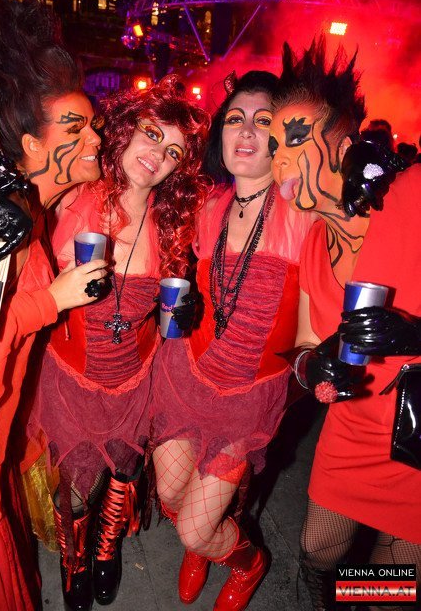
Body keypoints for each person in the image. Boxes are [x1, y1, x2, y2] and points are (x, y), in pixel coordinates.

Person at [27, 76, 211, 611]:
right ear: (127, 130)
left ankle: (107, 547)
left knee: (123, 471)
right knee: (75, 486)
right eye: (152, 134)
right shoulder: (71, 200)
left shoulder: (173, 226)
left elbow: (172, 313)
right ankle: (75, 561)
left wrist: (187, 311)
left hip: (136, 378)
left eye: (173, 150)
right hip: (71, 378)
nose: (158, 154)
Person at [149, 70, 314, 611]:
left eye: (263, 121)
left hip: (247, 397)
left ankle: (245, 561)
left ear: (281, 138)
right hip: (188, 373)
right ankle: (207, 540)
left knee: (195, 528)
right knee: (169, 493)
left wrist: (314, 368)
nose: (245, 131)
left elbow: (311, 331)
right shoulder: (207, 206)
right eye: (235, 119)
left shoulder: (304, 218)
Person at [269, 38, 421, 610]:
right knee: (317, 548)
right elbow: (306, 344)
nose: (279, 162)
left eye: (296, 140)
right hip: (354, 424)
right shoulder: (314, 241)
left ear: (345, 142)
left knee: (396, 576)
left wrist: (415, 333)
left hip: (420, 429)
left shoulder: (411, 196)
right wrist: (316, 369)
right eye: (275, 147)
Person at [0, 0, 106, 611]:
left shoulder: (30, 210)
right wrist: (51, 300)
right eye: (76, 129)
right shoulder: (4, 224)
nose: (95, 138)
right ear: (32, 146)